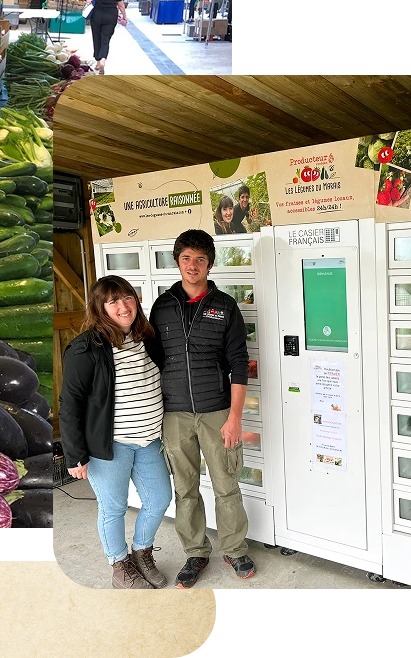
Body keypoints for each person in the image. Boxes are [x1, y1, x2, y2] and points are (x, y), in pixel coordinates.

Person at [148, 229, 255, 588]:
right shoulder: (161, 307)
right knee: (185, 488)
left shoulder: (225, 306)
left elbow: (239, 363)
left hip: (216, 412)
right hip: (174, 415)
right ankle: (195, 552)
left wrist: (234, 417)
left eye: (200, 259)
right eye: (186, 258)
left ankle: (234, 548)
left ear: (210, 263)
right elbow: (155, 360)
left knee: (227, 485)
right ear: (177, 262)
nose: (193, 265)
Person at [59, 275, 173, 590]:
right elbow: (69, 405)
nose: (123, 307)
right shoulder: (85, 348)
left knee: (160, 497)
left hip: (149, 441)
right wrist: (75, 455)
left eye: (127, 298)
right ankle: (119, 565)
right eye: (113, 302)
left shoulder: (146, 337)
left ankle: (141, 551)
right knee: (114, 508)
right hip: (109, 447)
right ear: (100, 308)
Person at [85, 0, 128, 75]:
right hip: (110, 16)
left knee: (96, 37)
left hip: (97, 15)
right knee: (106, 39)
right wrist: (124, 17)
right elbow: (121, 5)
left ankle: (98, 62)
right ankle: (103, 59)